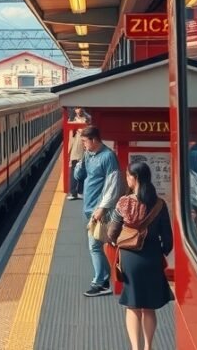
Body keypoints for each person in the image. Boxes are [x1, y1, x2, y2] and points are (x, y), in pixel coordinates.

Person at [108, 161, 174, 350]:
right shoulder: (159, 204)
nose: (126, 179)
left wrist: (115, 242)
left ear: (134, 178)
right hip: (152, 257)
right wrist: (159, 252)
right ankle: (148, 347)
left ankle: (136, 348)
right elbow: (168, 239)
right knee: (149, 306)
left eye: (128, 176)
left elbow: (112, 232)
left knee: (133, 304)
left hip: (130, 258)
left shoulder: (124, 202)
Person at [73, 125, 122, 297]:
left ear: (94, 140)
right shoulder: (89, 155)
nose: (84, 145)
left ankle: (100, 282)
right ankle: (104, 279)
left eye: (85, 142)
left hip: (100, 209)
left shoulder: (108, 157)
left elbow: (113, 185)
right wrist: (81, 160)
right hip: (89, 208)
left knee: (94, 245)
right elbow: (78, 176)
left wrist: (102, 208)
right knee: (96, 245)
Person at [67, 108, 90, 200]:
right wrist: (68, 152)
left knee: (83, 171)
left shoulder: (87, 119)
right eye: (76, 108)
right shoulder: (71, 120)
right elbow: (70, 138)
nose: (78, 110)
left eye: (80, 108)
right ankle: (73, 192)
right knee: (73, 171)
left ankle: (80, 191)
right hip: (75, 149)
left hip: (84, 149)